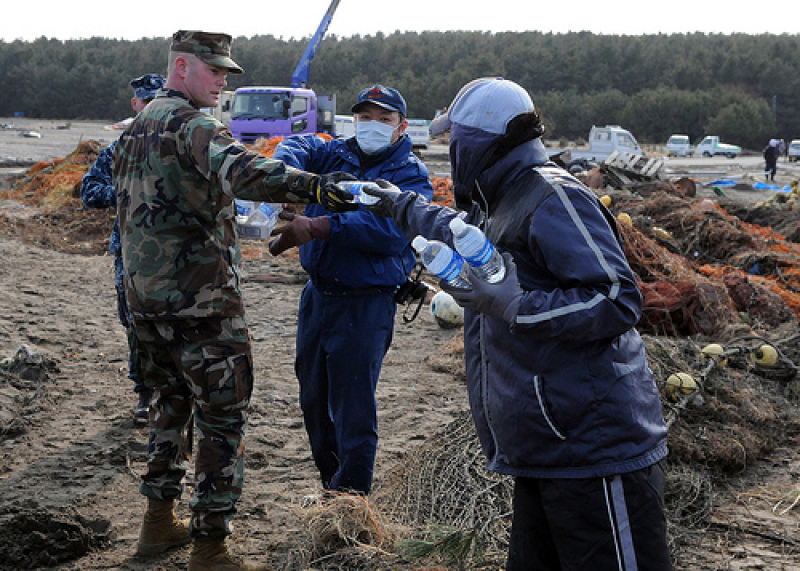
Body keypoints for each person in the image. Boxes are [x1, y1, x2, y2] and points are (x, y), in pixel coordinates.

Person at [364, 77, 672, 570]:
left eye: (454, 140)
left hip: (594, 452)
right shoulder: (502, 198)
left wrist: (517, 306)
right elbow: (458, 231)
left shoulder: (553, 197)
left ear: (479, 143)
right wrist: (397, 204)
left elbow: (617, 297)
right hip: (544, 449)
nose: (449, 150)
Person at [112, 30, 356, 570]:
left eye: (227, 73)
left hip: (146, 304)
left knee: (167, 408)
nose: (223, 81)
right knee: (222, 418)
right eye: (214, 71)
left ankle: (157, 525)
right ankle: (210, 547)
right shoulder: (195, 124)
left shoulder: (136, 129)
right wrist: (318, 187)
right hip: (202, 304)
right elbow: (245, 171)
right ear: (181, 68)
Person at [269, 85, 434, 498]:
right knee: (313, 399)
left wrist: (316, 226)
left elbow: (391, 231)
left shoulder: (408, 174)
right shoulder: (335, 154)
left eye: (384, 118)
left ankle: (352, 500)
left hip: (366, 304)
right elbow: (297, 144)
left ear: (402, 126)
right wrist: (285, 175)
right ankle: (331, 486)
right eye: (365, 117)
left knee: (353, 407)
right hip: (318, 296)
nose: (372, 125)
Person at [81, 73, 165, 424]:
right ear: (135, 105)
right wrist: (126, 190)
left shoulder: (177, 146)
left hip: (175, 254)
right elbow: (89, 192)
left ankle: (170, 392)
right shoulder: (117, 151)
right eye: (144, 103)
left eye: (156, 103)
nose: (149, 109)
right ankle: (145, 394)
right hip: (130, 252)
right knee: (135, 324)